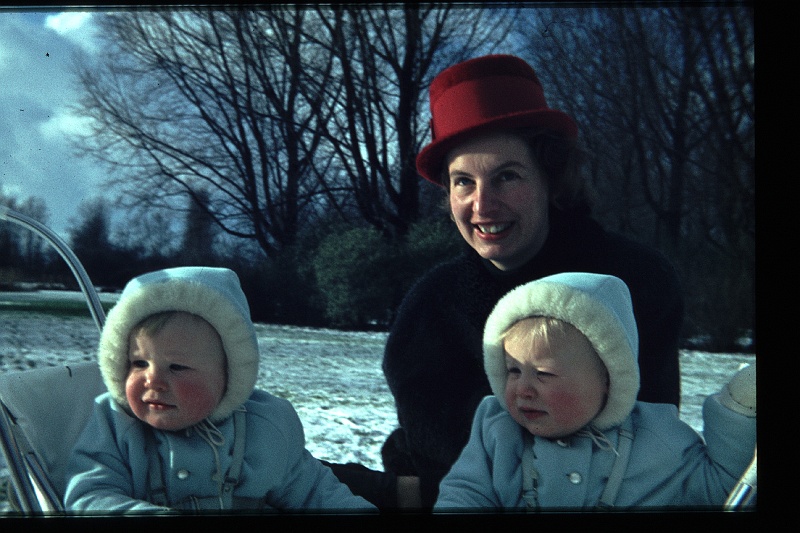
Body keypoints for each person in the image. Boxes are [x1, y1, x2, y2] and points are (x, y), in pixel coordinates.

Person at [376, 54, 685, 509]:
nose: (482, 204)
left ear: (550, 177)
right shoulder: (428, 309)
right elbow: (439, 457)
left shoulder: (637, 281)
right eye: (464, 182)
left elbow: (651, 442)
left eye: (506, 176)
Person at [64, 266, 375, 513]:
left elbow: (314, 491)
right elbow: (90, 495)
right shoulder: (115, 426)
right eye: (139, 363)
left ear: (230, 376)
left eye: (177, 367)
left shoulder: (263, 428)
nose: (153, 380)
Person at [435, 272, 756, 510]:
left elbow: (722, 489)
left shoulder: (656, 436)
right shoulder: (497, 432)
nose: (523, 389)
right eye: (513, 370)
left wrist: (739, 407)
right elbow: (464, 494)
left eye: (544, 373)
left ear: (608, 378)